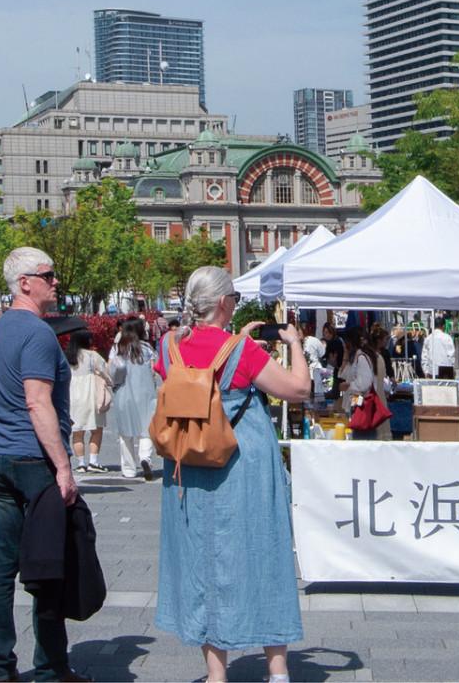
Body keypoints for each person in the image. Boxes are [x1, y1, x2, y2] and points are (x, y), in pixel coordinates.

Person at [153, 267, 307, 683]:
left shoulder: (168, 347)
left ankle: (215, 673)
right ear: (224, 303)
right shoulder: (241, 350)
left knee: (201, 561)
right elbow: (297, 389)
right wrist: (293, 345)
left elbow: (186, 374)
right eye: (234, 299)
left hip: (188, 466)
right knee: (264, 553)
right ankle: (277, 669)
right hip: (243, 466)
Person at [0, 247, 88, 682]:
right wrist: (63, 467)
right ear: (26, 283)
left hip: (0, 458)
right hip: (35, 461)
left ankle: (0, 669)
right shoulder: (39, 335)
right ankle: (49, 668)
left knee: (1, 565)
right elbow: (36, 401)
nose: (56, 281)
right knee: (47, 567)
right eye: (49, 274)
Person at [108, 317, 158, 479]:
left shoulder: (118, 348)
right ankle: (145, 457)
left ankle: (129, 469)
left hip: (123, 393)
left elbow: (111, 370)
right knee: (147, 429)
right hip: (146, 393)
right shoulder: (147, 348)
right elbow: (153, 370)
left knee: (125, 432)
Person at [66, 329, 113, 474]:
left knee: (77, 432)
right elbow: (105, 372)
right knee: (96, 430)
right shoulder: (92, 356)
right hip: (91, 394)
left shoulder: (67, 357)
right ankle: (93, 461)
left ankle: (80, 463)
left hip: (73, 396)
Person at [340, 326, 391, 440]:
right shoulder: (361, 357)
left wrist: (348, 386)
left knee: (362, 437)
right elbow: (343, 374)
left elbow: (364, 384)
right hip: (360, 403)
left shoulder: (362, 358)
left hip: (361, 404)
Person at [322, 323, 345, 398]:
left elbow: (333, 360)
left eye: (328, 332)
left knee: (333, 394)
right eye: (325, 333)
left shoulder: (333, 343)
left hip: (335, 371)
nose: (327, 335)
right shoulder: (339, 340)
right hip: (337, 371)